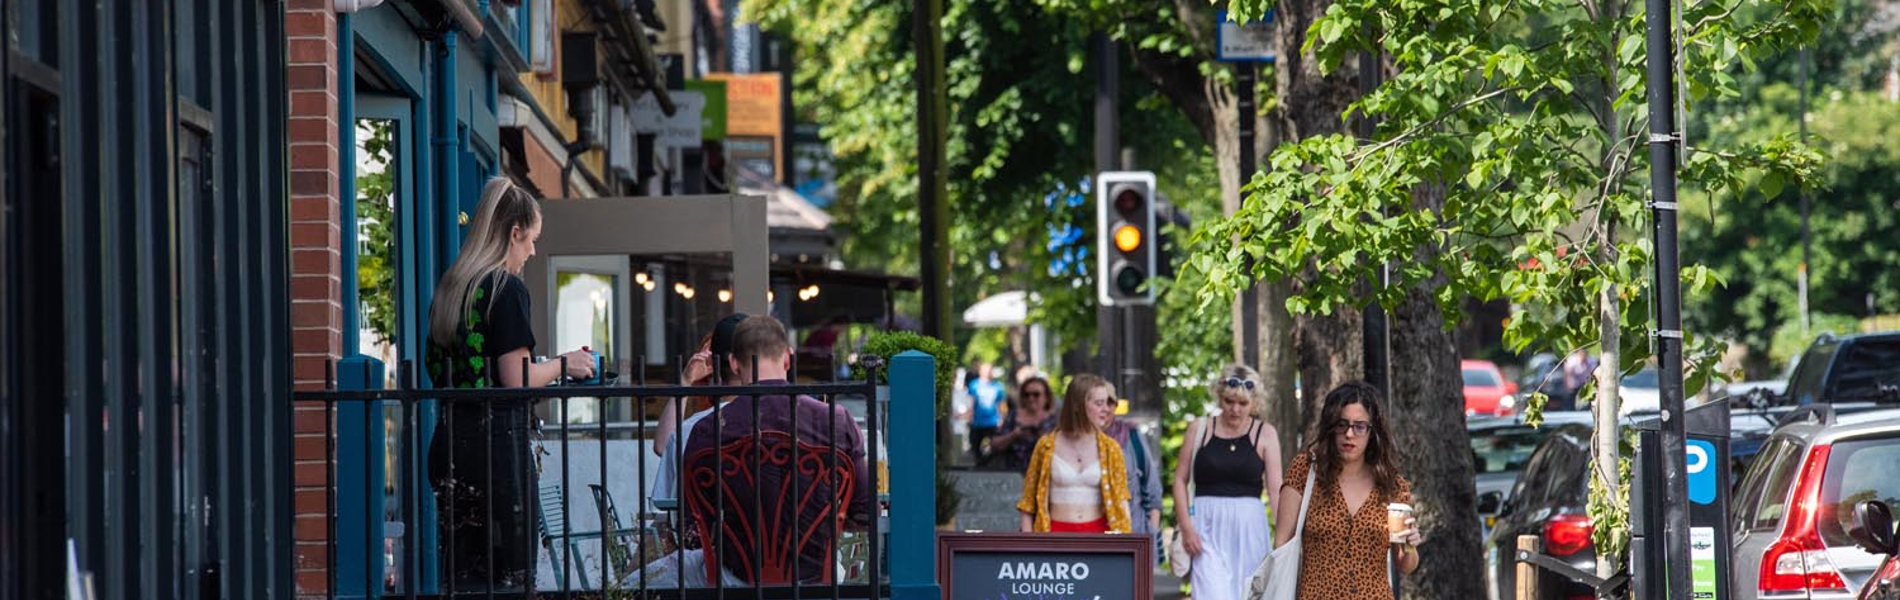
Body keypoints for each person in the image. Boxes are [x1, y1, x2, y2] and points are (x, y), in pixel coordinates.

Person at [424, 177, 596, 590]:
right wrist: (562, 364)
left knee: (460, 574)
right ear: (514, 232)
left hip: (450, 441)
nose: (533, 251)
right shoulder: (506, 288)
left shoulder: (453, 288)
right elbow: (515, 378)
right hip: (498, 449)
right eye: (531, 240)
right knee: (510, 578)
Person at [680, 316, 874, 584]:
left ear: (735, 364)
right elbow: (865, 513)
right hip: (817, 578)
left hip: (736, 579)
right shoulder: (836, 421)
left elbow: (690, 528)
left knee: (643, 580)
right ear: (787, 358)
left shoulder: (709, 429)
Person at [1274, 381, 1422, 600]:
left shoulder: (1391, 485)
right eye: (1342, 425)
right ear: (1331, 427)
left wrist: (1410, 546)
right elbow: (1281, 546)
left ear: (1373, 432)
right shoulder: (1306, 471)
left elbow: (1405, 565)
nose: (1350, 434)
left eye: (1359, 426)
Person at [1171, 365, 1283, 600]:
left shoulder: (1265, 434)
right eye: (1229, 401)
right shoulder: (1199, 429)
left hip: (1249, 526)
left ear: (1254, 402)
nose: (1235, 409)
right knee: (1210, 593)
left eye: (1243, 404)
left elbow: (1275, 489)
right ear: (1219, 397)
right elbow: (1180, 480)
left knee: (1248, 593)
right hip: (1205, 526)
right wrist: (1187, 528)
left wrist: (1283, 539)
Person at [649, 312, 747, 512]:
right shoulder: (784, 420)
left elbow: (664, 446)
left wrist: (686, 382)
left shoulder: (692, 429)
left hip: (703, 540)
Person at [1016, 374, 1132, 533]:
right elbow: (1028, 505)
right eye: (1099, 403)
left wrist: (1126, 545)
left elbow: (1122, 502)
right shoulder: (1046, 445)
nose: (1106, 409)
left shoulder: (1111, 448)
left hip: (1100, 534)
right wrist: (1028, 546)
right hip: (1054, 533)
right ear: (1078, 405)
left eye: (1107, 403)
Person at [990, 376, 1057, 472]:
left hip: (1044, 475)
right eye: (1026, 394)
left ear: (1046, 397)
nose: (1031, 398)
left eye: (1036, 394)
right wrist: (1013, 435)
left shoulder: (1054, 420)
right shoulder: (1012, 416)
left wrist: (1042, 437)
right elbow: (994, 444)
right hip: (1013, 474)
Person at [967, 361, 1006, 465]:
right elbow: (971, 402)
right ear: (980, 372)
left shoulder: (998, 386)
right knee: (975, 445)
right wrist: (970, 416)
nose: (988, 373)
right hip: (978, 421)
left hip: (992, 421)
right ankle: (979, 462)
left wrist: (1001, 418)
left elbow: (1000, 404)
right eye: (985, 370)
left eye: (989, 370)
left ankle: (989, 463)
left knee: (995, 444)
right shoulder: (974, 385)